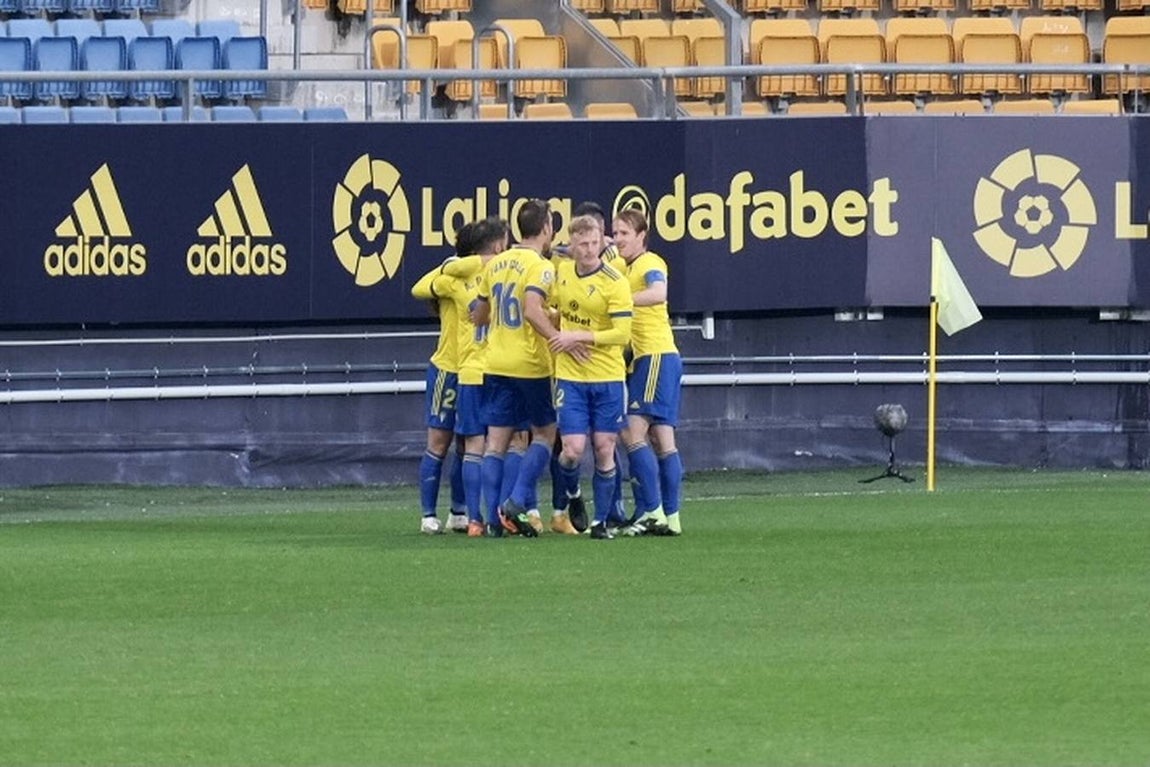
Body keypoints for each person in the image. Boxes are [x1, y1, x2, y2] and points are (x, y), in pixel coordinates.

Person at [473, 199, 559, 538]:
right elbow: (532, 311)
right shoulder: (540, 266)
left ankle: (493, 520)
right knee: (545, 434)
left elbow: (478, 313)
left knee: (496, 443)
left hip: (495, 361)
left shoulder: (494, 264)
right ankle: (516, 501)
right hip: (529, 363)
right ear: (547, 227)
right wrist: (555, 335)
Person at [548, 214, 634, 539]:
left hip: (607, 376)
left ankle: (600, 522)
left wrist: (578, 338)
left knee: (603, 447)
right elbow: (553, 307)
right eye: (582, 244)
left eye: (594, 243)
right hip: (571, 375)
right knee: (570, 450)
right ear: (572, 244)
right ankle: (573, 496)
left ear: (601, 241)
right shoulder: (563, 272)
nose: (589, 250)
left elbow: (622, 333)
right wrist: (554, 318)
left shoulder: (614, 281)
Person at [436, 217, 511, 537]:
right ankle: (493, 514)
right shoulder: (503, 273)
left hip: (472, 372)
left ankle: (476, 518)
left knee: (474, 445)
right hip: (496, 369)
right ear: (497, 246)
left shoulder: (461, 277)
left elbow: (437, 277)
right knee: (501, 443)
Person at [613, 208, 684, 536]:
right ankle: (671, 518)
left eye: (625, 233)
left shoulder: (649, 263)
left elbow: (659, 293)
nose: (618, 239)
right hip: (657, 357)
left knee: (630, 432)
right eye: (616, 233)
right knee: (662, 438)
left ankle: (652, 512)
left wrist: (620, 300)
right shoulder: (627, 267)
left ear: (642, 235)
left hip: (654, 356)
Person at [409, 223, 476, 534]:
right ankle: (427, 515)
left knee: (466, 442)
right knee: (439, 441)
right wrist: (450, 266)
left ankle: (458, 512)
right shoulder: (450, 279)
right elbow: (420, 287)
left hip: (473, 370)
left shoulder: (486, 279)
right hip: (447, 369)